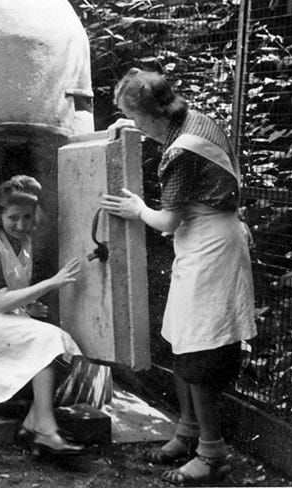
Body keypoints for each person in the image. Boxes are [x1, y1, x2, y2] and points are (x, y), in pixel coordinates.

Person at [101, 68, 256, 484]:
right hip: (203, 242)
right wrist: (126, 127)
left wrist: (137, 210)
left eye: (133, 117)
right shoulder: (193, 120)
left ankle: (212, 454)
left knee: (199, 347)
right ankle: (188, 432)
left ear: (152, 114)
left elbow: (168, 221)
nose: (134, 124)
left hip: (211, 249)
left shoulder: (182, 152)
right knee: (181, 338)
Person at [0, 175, 85, 456]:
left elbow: (9, 293)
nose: (21, 225)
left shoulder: (24, 241)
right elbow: (1, 301)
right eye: (13, 217)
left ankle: (34, 422)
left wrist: (26, 309)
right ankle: (45, 430)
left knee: (66, 346)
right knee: (49, 339)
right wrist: (52, 283)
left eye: (27, 217)